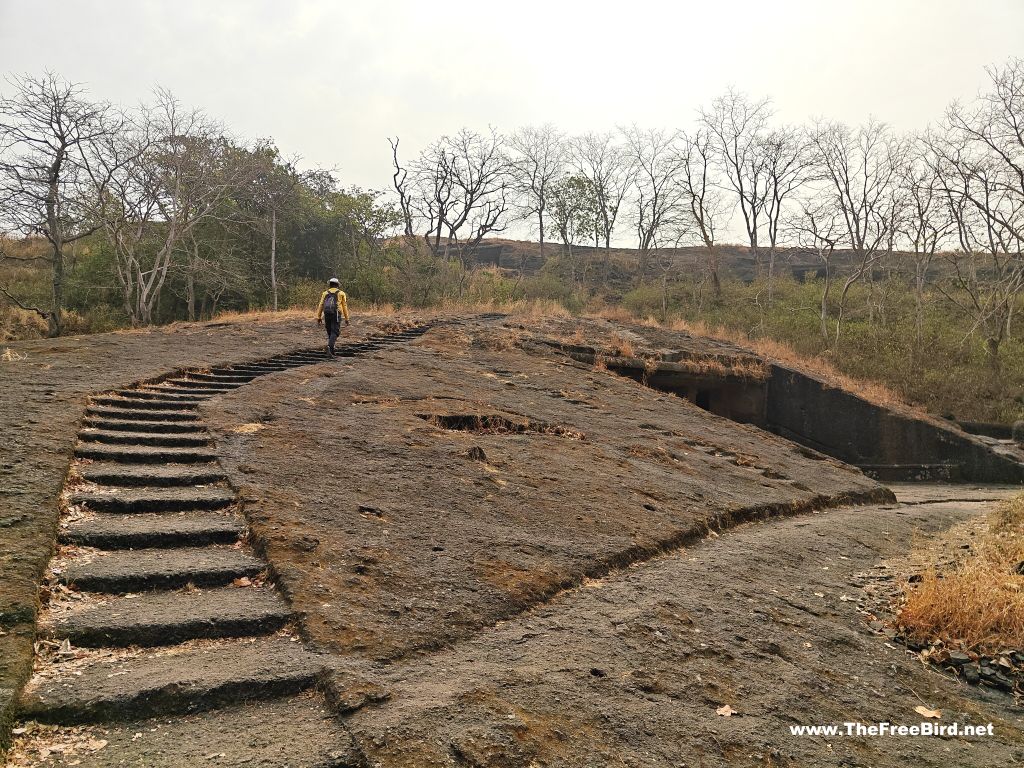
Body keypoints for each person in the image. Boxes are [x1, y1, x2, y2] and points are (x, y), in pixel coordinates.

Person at [316, 278, 350, 356]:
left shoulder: (325, 293)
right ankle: (329, 346)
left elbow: (321, 305)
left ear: (330, 285)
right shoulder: (341, 293)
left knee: (330, 331)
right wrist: (347, 318)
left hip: (327, 313)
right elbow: (344, 306)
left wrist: (319, 316)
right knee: (335, 331)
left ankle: (331, 350)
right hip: (336, 314)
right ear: (337, 285)